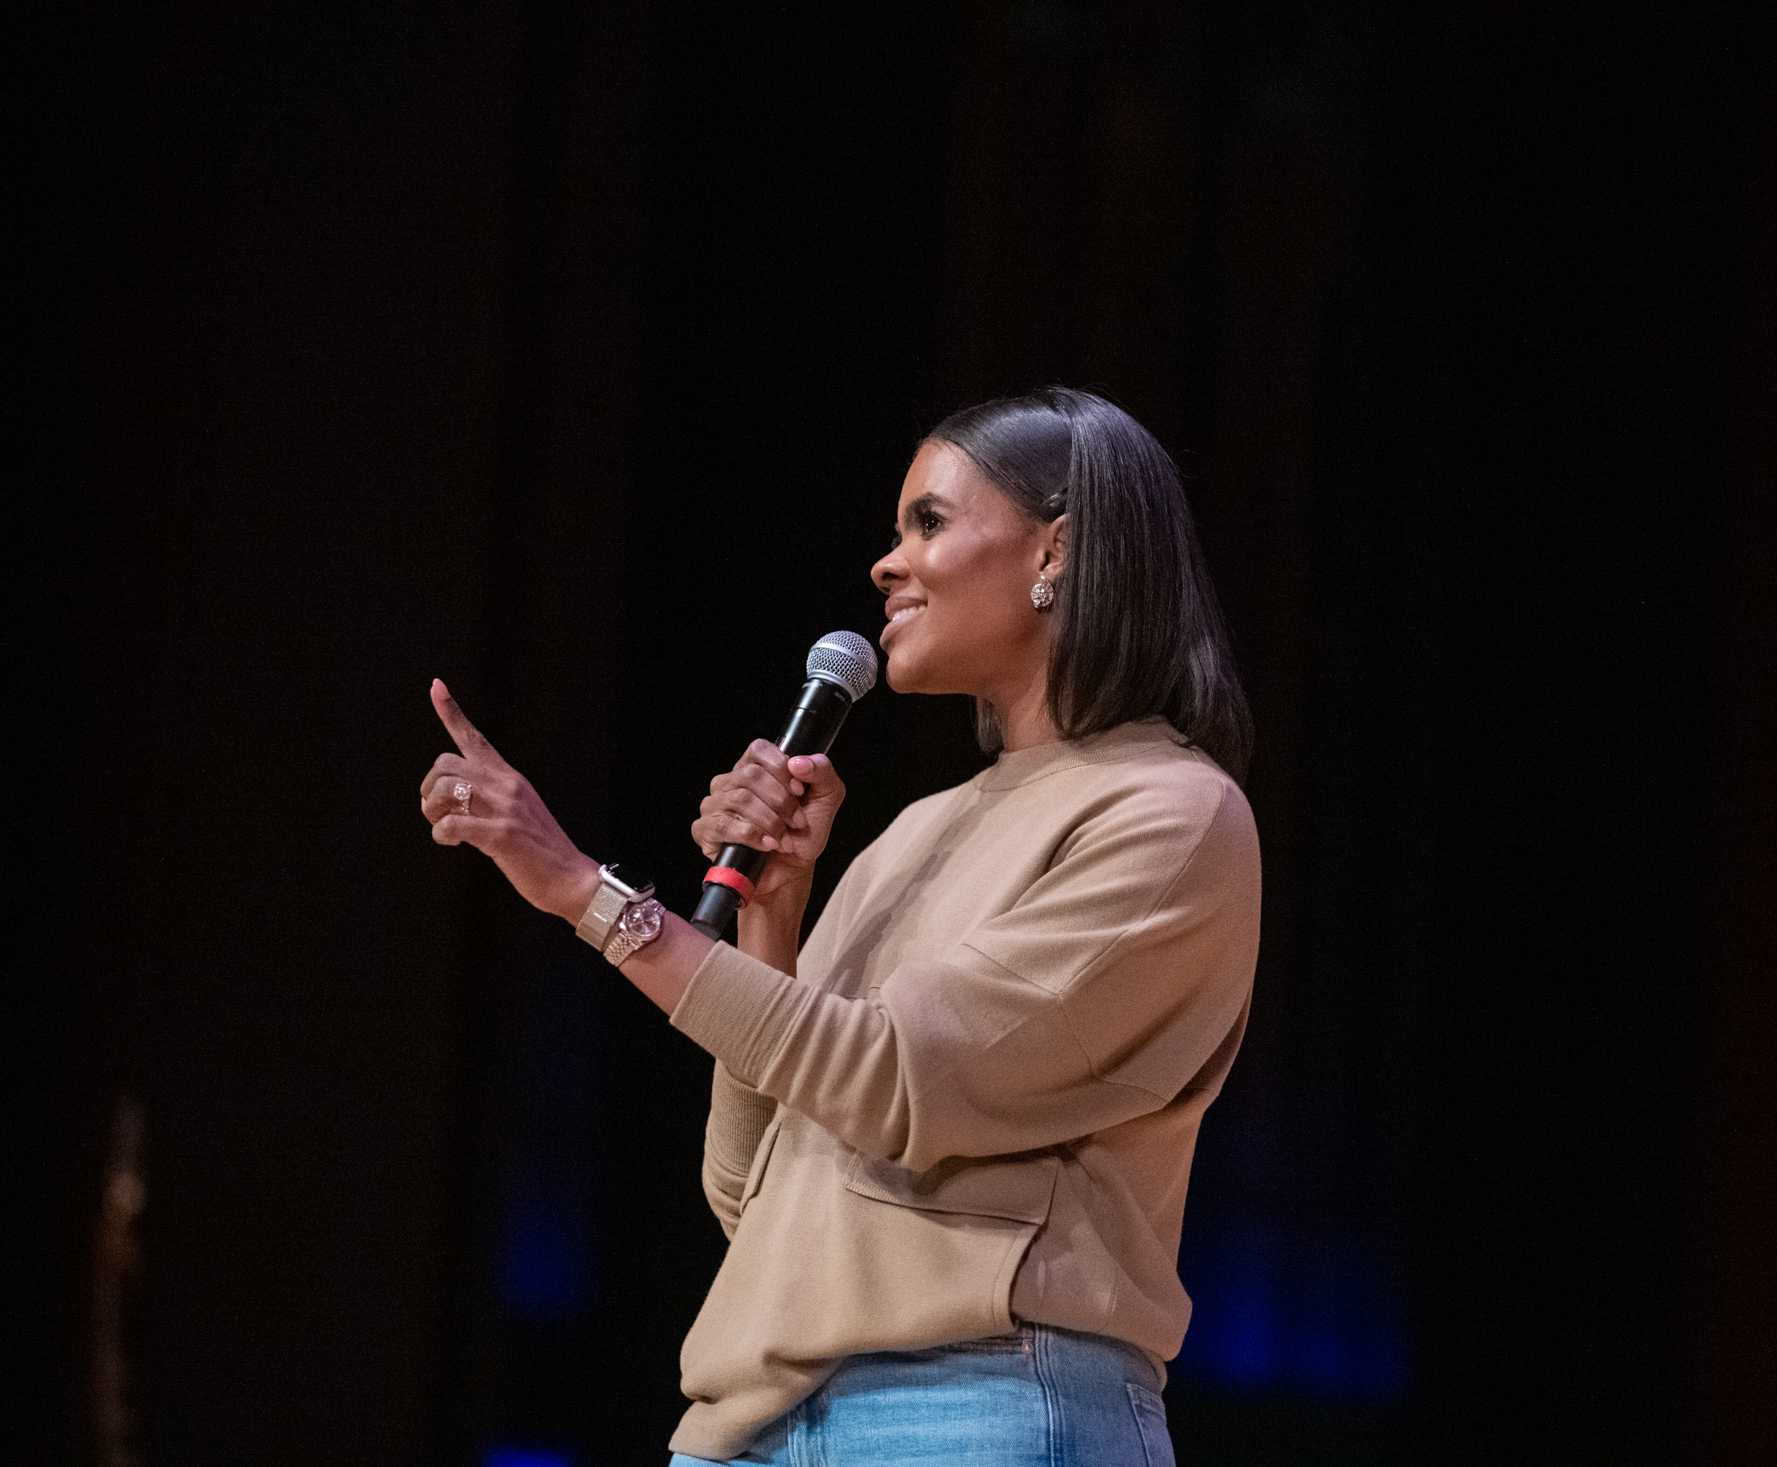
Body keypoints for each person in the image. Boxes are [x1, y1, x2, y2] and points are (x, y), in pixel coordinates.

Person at [418, 385, 1261, 1465]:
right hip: (750, 1419)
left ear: (1058, 549)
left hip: (979, 1404)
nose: (887, 563)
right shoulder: (916, 830)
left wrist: (583, 889)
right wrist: (774, 918)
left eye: (930, 523)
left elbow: (898, 1076)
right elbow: (748, 1187)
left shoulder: (1168, 815)